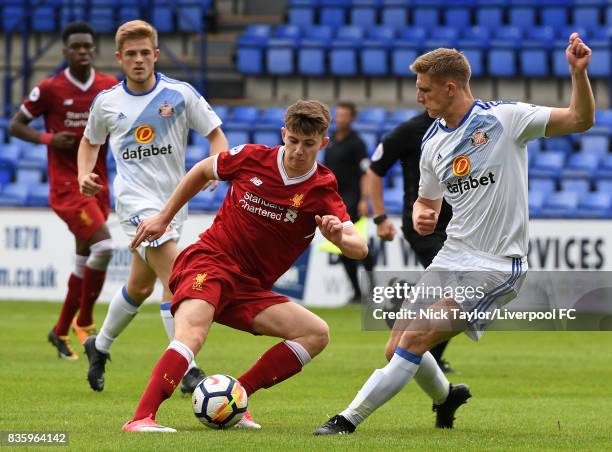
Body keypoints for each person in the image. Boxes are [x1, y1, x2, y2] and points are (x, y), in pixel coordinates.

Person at [314, 33, 594, 435]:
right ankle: (447, 397)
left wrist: (577, 74)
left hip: (495, 265)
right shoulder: (431, 142)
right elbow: (426, 202)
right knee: (395, 346)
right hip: (451, 256)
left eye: (424, 90)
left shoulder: (505, 119)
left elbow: (580, 120)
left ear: (450, 87)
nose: (418, 97)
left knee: (415, 340)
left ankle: (346, 420)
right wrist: (421, 213)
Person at [121, 99, 368, 432]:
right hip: (209, 262)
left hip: (250, 288)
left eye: (308, 144)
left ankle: (237, 395)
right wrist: (163, 218)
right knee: (191, 333)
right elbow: (202, 170)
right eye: (293, 140)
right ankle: (141, 417)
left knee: (316, 334)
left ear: (323, 143)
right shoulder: (251, 157)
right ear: (284, 134)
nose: (298, 150)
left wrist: (339, 238)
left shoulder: (322, 188)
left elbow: (360, 248)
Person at [77, 20, 227, 398]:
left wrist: (216, 161)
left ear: (156, 55)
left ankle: (100, 345)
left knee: (140, 286)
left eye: (146, 53)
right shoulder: (107, 102)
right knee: (178, 275)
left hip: (173, 203)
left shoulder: (179, 94)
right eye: (131, 54)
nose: (139, 60)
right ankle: (188, 370)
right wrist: (83, 174)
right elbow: (88, 142)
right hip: (134, 205)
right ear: (119, 59)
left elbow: (215, 134)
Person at [8, 22, 118, 360]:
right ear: (65, 51)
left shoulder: (109, 87)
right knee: (105, 245)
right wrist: (49, 139)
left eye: (88, 46)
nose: (83, 51)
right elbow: (16, 124)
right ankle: (84, 322)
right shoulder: (51, 89)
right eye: (76, 47)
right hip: (67, 188)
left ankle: (59, 331)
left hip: (97, 184)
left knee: (84, 259)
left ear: (94, 50)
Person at [367, 111, 455, 372]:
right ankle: (425, 349)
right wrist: (380, 216)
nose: (422, 95)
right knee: (453, 284)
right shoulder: (411, 130)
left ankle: (406, 304)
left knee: (454, 289)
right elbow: (375, 169)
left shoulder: (464, 126)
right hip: (424, 226)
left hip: (458, 227)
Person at [324, 101, 375, 303]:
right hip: (335, 199)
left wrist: (364, 199)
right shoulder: (331, 142)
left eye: (345, 115)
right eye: (338, 114)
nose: (340, 118)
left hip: (352, 198)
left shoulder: (357, 143)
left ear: (352, 118)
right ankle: (356, 292)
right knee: (342, 247)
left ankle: (372, 289)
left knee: (357, 244)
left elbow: (366, 173)